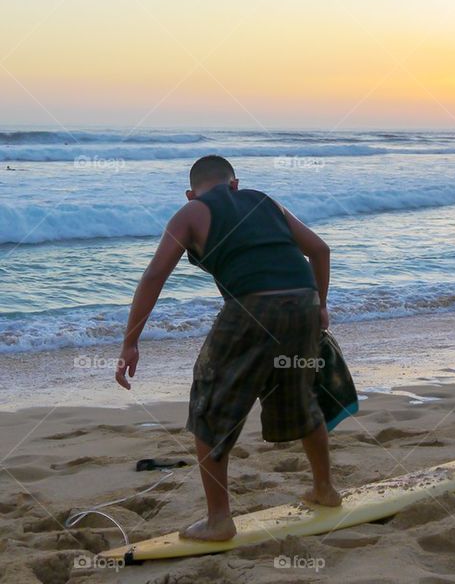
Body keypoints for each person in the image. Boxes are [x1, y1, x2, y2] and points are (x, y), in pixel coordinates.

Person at [115, 155, 357, 541]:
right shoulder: (265, 201)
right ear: (235, 184)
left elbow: (154, 275)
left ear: (191, 192)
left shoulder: (191, 212)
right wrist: (321, 305)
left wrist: (130, 342)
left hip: (252, 308)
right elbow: (321, 250)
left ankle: (218, 519)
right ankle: (325, 490)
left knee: (210, 403)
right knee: (300, 395)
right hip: (304, 304)